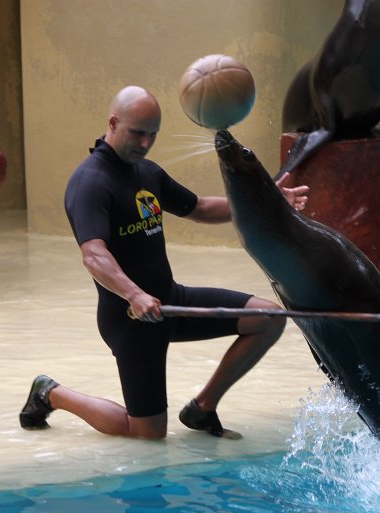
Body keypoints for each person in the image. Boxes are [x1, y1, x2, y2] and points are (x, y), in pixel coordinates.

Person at [20, 86, 310, 440]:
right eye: (137, 133)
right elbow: (93, 254)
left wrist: (266, 201)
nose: (145, 144)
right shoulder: (91, 183)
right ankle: (50, 392)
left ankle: (202, 408)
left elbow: (200, 208)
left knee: (267, 319)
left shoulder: (148, 173)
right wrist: (134, 295)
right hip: (132, 318)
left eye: (152, 135)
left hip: (171, 301)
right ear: (113, 122)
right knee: (147, 433)